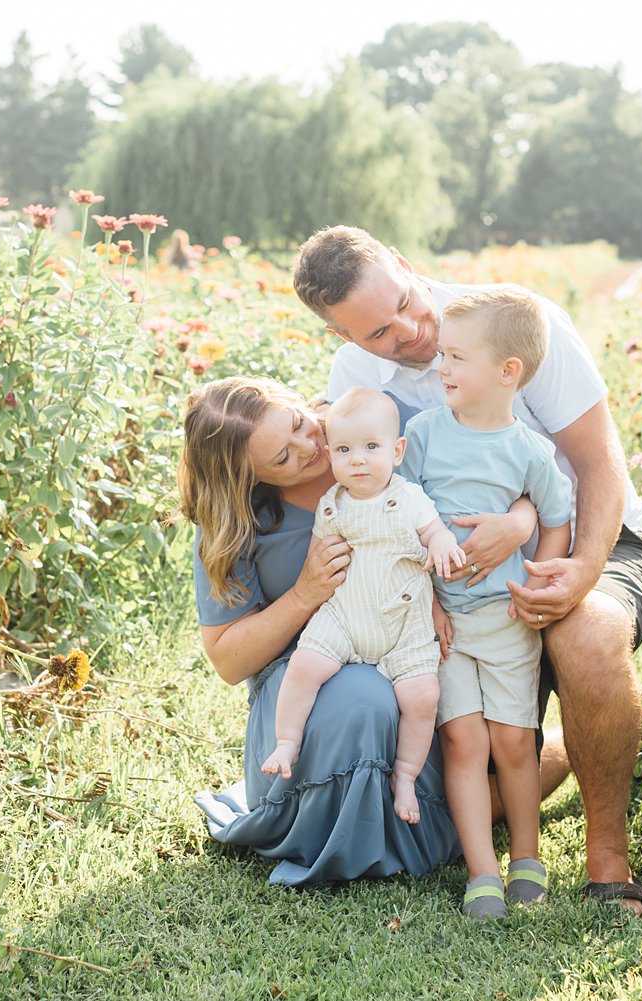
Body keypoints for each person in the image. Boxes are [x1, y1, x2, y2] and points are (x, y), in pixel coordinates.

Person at [292, 225, 642, 916]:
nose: (410, 331)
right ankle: (604, 737)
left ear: (405, 264)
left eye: (405, 301)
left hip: (597, 531)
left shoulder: (514, 323)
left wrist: (567, 559)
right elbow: (384, 497)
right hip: (457, 576)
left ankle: (607, 859)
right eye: (378, 332)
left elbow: (596, 463)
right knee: (464, 768)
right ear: (341, 337)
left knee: (582, 637)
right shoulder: (355, 383)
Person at [182, 376, 569, 887]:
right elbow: (228, 662)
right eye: (282, 458)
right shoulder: (236, 524)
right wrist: (304, 594)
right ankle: (386, 822)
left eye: (299, 425)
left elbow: (493, 477)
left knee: (477, 737)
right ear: (249, 478)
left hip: (404, 646)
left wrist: (519, 522)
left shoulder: (366, 433)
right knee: (363, 697)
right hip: (308, 675)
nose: (312, 446)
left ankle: (562, 754)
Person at [400, 290, 573, 918]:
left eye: (456, 357)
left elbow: (555, 519)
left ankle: (526, 856)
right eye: (442, 353)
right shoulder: (420, 436)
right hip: (442, 626)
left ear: (508, 373)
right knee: (464, 743)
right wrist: (430, 605)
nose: (441, 367)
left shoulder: (529, 450)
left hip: (505, 622)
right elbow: (404, 521)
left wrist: (539, 582)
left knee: (514, 741)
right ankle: (482, 872)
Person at [260, 387, 464, 827]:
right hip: (345, 617)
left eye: (371, 448)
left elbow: (434, 533)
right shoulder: (332, 504)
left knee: (423, 697)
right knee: (305, 665)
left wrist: (444, 544)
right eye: (345, 450)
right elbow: (318, 560)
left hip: (403, 624)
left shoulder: (407, 497)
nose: (357, 460)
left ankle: (406, 776)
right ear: (331, 454)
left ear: (397, 450)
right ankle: (286, 741)